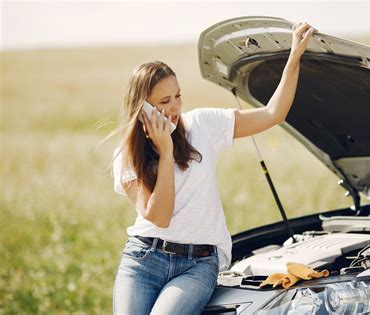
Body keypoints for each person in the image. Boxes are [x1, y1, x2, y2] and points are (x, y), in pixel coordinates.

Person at [112, 22, 314, 314]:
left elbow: (273, 113)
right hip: (143, 259)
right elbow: (159, 215)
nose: (174, 107)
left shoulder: (202, 124)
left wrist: (295, 56)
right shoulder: (128, 154)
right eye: (164, 101)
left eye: (177, 96)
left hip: (197, 265)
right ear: (142, 108)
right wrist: (166, 152)